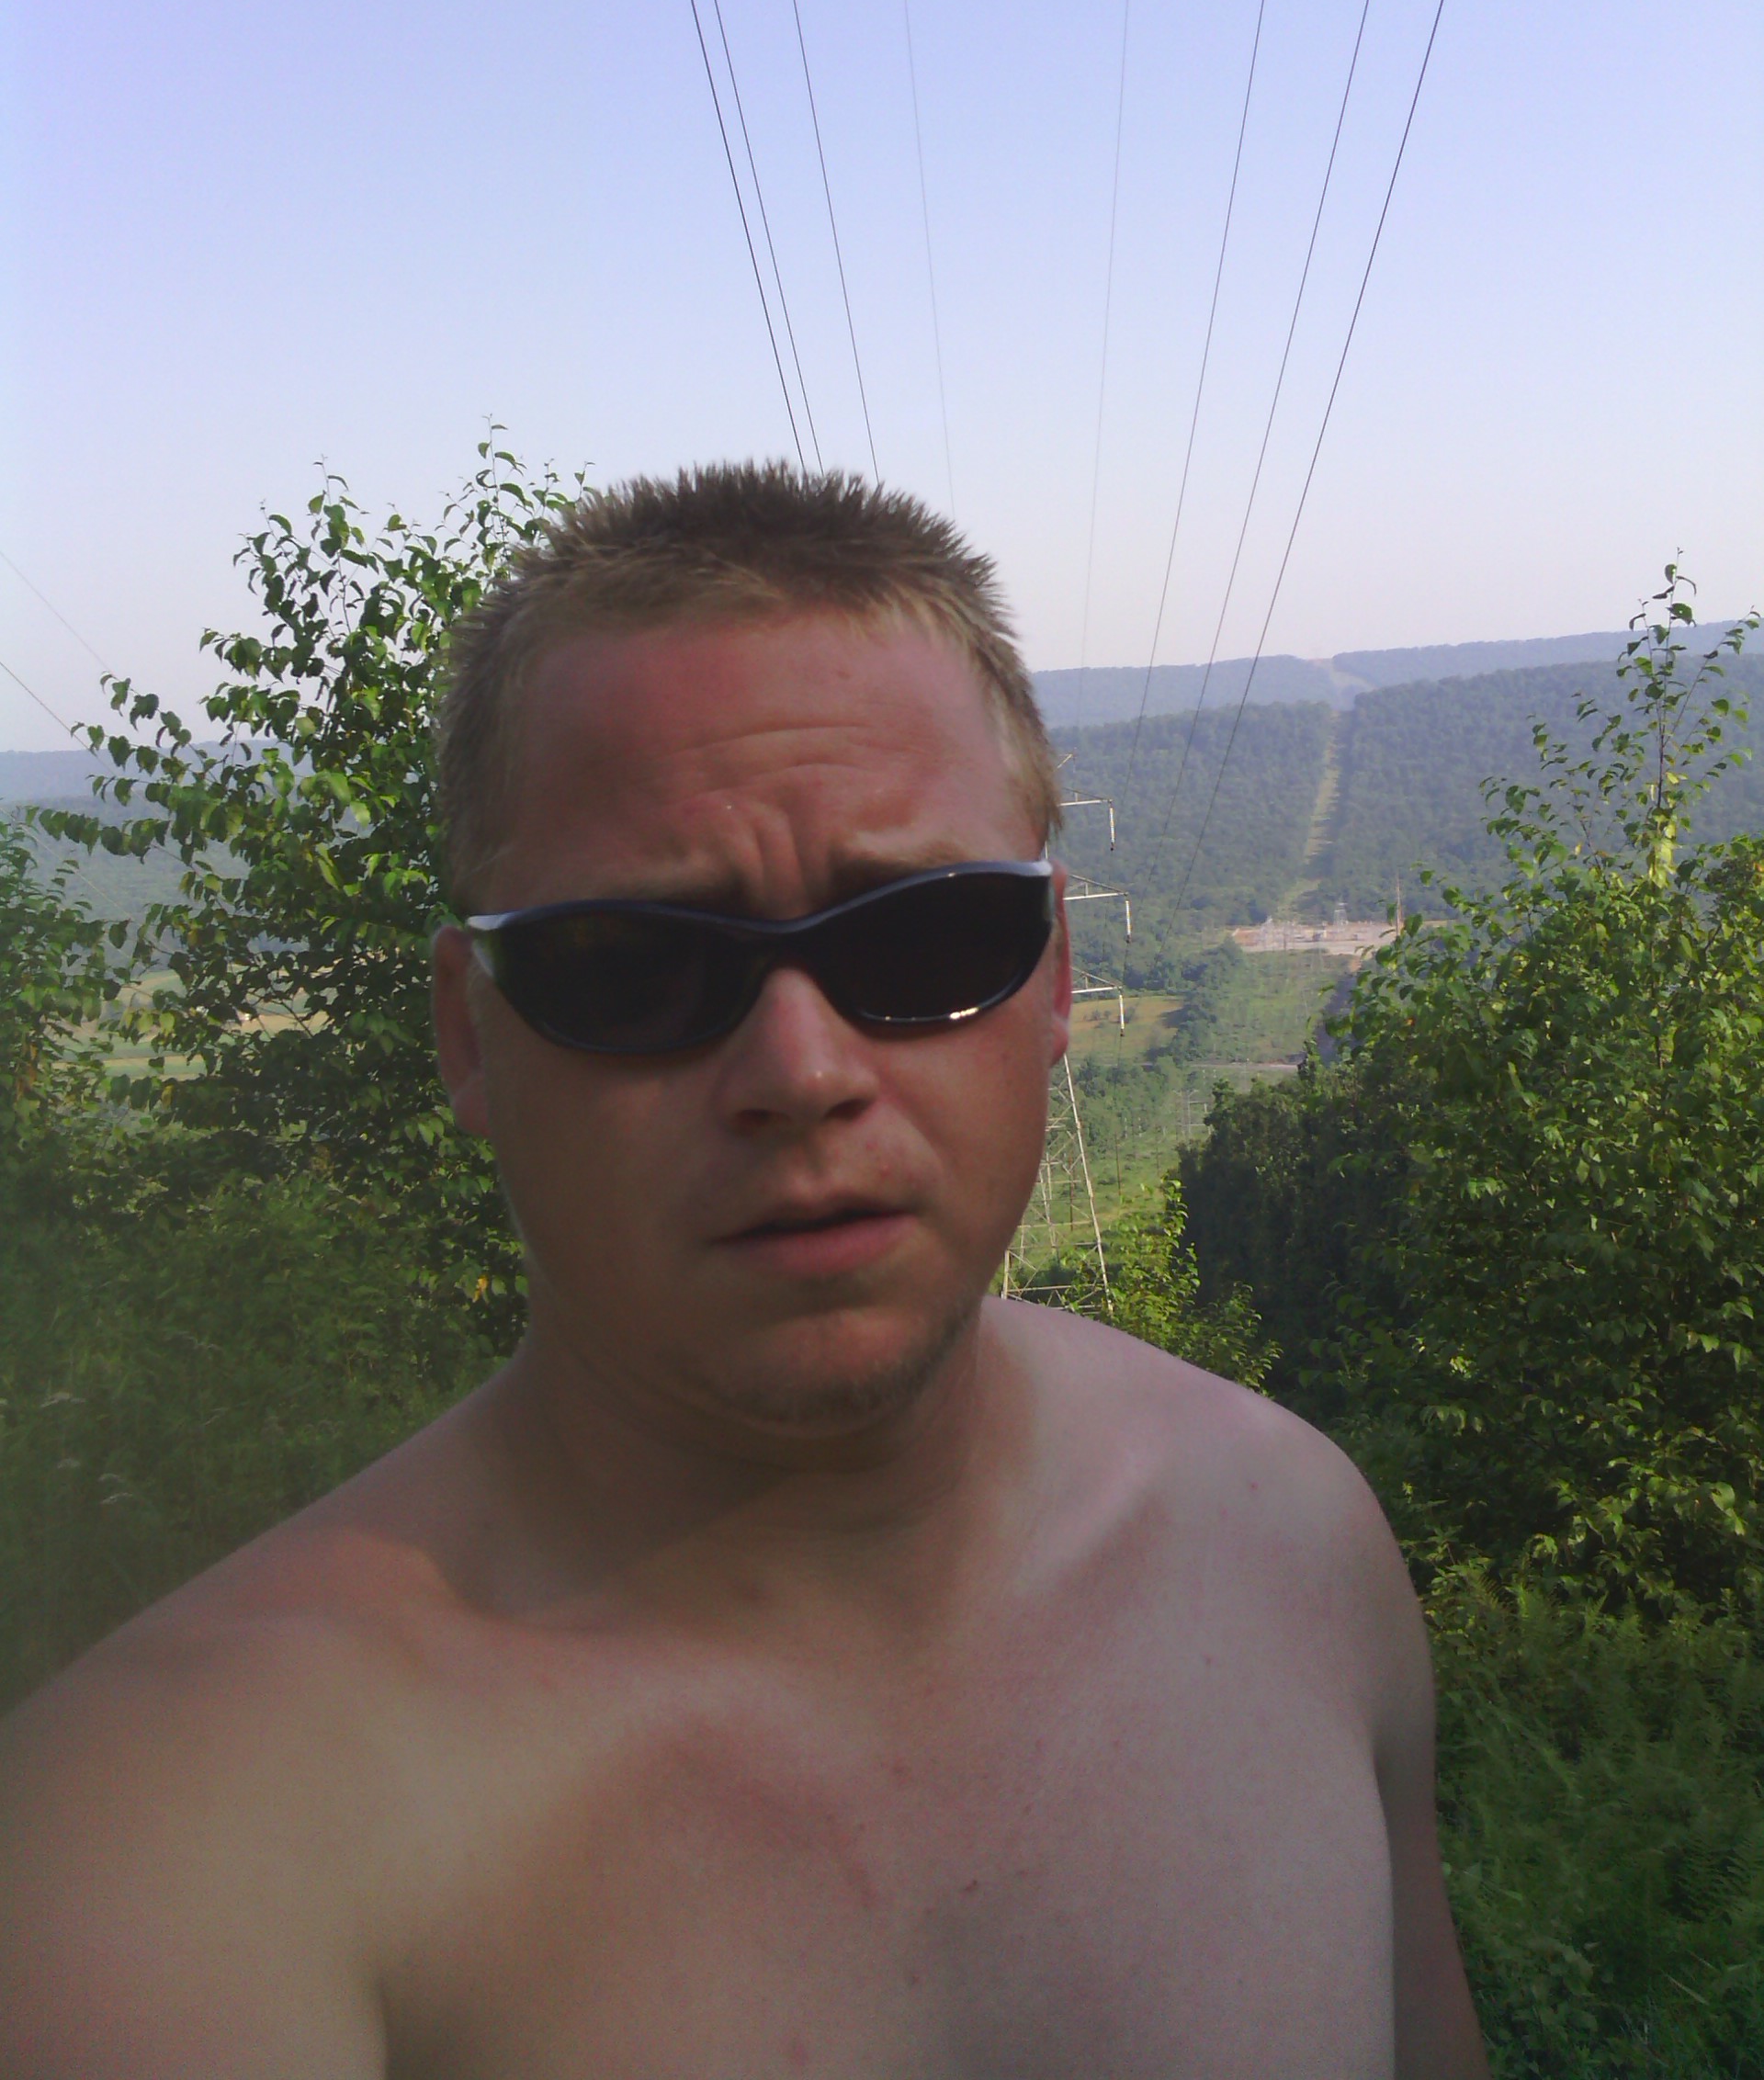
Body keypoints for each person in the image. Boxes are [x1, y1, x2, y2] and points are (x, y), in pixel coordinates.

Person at [0, 464, 1487, 2076]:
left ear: (1056, 976)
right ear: (470, 1038)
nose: (802, 1071)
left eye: (921, 940)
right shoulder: (171, 1854)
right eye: (638, 969)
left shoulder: (1296, 1546)